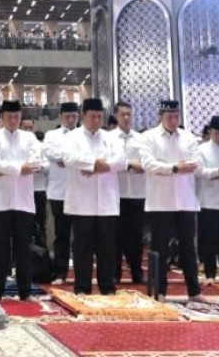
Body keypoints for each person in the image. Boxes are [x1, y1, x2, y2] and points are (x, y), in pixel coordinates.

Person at [0, 100, 47, 302]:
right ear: (2, 117)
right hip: (0, 202)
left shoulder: (29, 138)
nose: (13, 120)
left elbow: (36, 163)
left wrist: (4, 169)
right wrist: (19, 168)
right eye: (10, 116)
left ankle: (24, 291)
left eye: (17, 117)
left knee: (23, 249)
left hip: (24, 201)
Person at [139, 99, 202, 300]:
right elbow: (148, 164)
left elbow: (198, 163)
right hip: (161, 201)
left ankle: (194, 291)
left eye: (176, 117)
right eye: (169, 117)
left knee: (188, 248)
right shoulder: (149, 137)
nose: (174, 121)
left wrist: (169, 167)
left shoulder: (188, 137)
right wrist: (174, 168)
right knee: (160, 247)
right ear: (161, 116)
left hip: (185, 199)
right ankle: (160, 291)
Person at [63, 97, 126, 296]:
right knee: (83, 247)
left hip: (107, 202)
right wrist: (94, 164)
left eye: (99, 116)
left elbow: (122, 161)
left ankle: (107, 287)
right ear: (84, 115)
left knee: (107, 248)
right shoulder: (72, 137)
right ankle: (82, 287)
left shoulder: (111, 138)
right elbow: (70, 158)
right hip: (82, 202)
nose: (96, 120)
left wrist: (96, 167)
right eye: (92, 116)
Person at [43, 102, 79, 283]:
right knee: (61, 234)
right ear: (61, 117)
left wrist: (66, 159)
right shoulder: (52, 135)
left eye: (74, 116)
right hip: (59, 191)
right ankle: (60, 273)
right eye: (68, 116)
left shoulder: (84, 134)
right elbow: (50, 153)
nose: (71, 119)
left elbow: (85, 156)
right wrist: (73, 159)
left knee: (81, 235)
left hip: (81, 192)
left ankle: (81, 273)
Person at [196, 116, 219, 285]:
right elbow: (199, 172)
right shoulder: (201, 149)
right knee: (209, 240)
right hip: (208, 201)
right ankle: (210, 273)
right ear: (210, 131)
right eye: (216, 133)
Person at [112, 101, 146, 284]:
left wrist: (131, 165)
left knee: (136, 236)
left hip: (137, 193)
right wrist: (130, 165)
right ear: (116, 116)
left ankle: (136, 272)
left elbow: (146, 162)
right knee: (115, 236)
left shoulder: (141, 139)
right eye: (122, 114)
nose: (126, 117)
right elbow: (111, 163)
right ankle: (115, 273)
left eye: (129, 114)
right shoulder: (109, 138)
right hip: (116, 193)